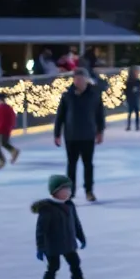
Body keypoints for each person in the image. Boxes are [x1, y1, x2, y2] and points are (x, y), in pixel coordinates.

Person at [32, 174, 96, 279]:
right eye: (64, 190)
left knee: (75, 265)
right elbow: (41, 230)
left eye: (69, 189)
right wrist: (40, 247)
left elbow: (76, 223)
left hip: (69, 243)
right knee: (53, 267)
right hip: (53, 245)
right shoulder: (47, 209)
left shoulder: (70, 205)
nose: (68, 192)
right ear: (55, 191)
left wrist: (81, 237)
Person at [53, 67, 106, 202]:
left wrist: (100, 131)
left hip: (88, 135)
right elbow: (60, 116)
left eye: (81, 79)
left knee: (88, 165)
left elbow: (100, 114)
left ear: (86, 80)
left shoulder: (94, 94)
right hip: (71, 136)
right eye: (76, 79)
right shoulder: (67, 95)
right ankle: (70, 192)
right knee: (71, 165)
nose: (78, 82)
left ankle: (89, 191)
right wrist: (57, 134)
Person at [0, 90, 18, 168]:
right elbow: (13, 117)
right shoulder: (8, 107)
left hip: (0, 128)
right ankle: (14, 151)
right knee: (4, 143)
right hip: (7, 128)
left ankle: (1, 160)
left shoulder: (0, 107)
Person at [123, 67, 140, 131]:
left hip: (136, 98)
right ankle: (129, 126)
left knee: (136, 112)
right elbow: (126, 91)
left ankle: (137, 126)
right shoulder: (129, 82)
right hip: (130, 99)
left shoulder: (138, 82)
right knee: (130, 112)